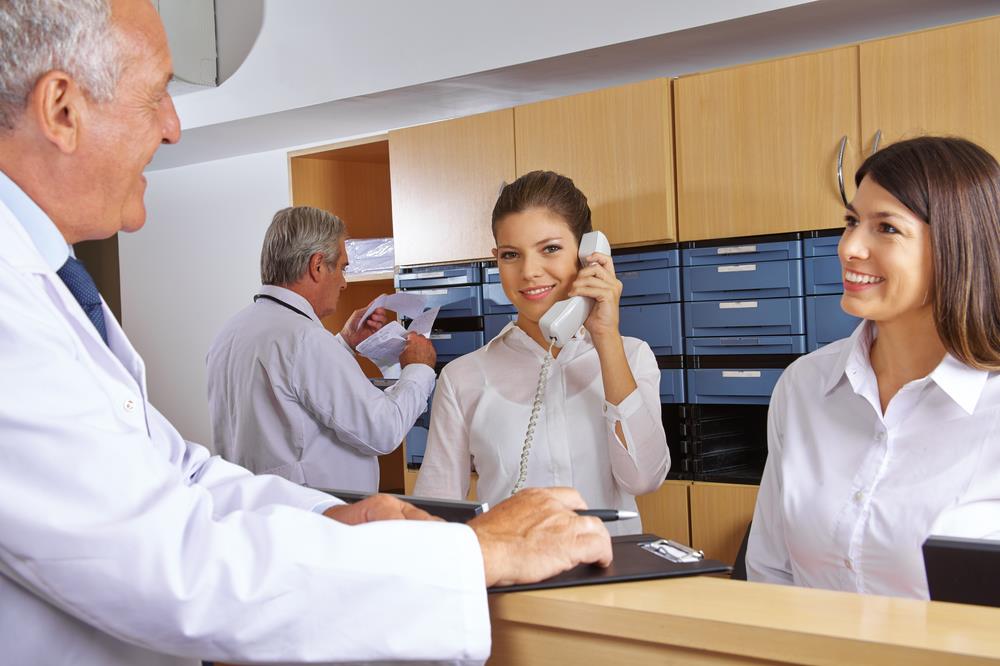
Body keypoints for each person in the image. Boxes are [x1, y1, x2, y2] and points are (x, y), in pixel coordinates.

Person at [0, 1, 612, 664]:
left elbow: (180, 472)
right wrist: (473, 545)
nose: (175, 128)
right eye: (157, 96)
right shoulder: (15, 310)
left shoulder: (225, 327)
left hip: (284, 559)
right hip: (266, 592)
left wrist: (326, 516)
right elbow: (172, 563)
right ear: (62, 109)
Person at [746, 136, 1000, 599]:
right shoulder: (804, 386)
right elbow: (770, 569)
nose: (849, 248)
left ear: (958, 245)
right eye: (851, 222)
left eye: (886, 228)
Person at [414, 170, 670, 536]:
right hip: (513, 583)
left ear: (588, 255)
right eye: (511, 255)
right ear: (496, 259)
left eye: (550, 248)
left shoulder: (632, 356)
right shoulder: (463, 377)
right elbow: (434, 519)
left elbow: (644, 478)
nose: (529, 272)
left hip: (612, 582)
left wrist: (605, 338)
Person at [207, 205, 436, 492]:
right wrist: (418, 369)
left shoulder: (231, 332)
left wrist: (342, 342)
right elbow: (382, 431)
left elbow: (292, 393)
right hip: (311, 519)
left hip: (258, 511)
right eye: (341, 268)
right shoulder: (305, 340)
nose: (343, 282)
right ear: (317, 266)